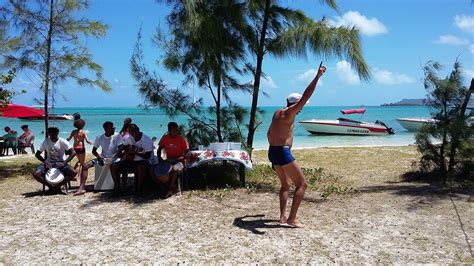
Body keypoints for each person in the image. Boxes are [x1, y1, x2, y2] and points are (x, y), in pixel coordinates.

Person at [267, 62, 326, 228]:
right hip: (282, 153)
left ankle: (282, 217)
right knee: (302, 184)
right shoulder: (289, 112)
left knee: (286, 185)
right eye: (300, 106)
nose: (301, 109)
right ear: (295, 104)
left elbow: (270, 133)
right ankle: (292, 219)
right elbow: (307, 95)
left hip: (273, 151)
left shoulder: (278, 112)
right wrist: (318, 76)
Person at [74, 121, 123, 196]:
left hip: (115, 158)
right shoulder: (100, 137)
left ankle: (117, 188)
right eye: (112, 127)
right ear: (106, 129)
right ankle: (81, 188)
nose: (114, 128)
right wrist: (99, 156)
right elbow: (94, 151)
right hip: (103, 158)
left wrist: (111, 158)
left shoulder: (117, 136)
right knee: (85, 166)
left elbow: (120, 149)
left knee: (113, 166)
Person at [110, 123, 153, 195]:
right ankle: (117, 189)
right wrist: (120, 153)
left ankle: (139, 191)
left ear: (138, 130)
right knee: (113, 166)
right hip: (131, 161)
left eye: (133, 131)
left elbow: (147, 156)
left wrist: (135, 152)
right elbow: (123, 146)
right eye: (130, 132)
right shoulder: (130, 137)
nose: (132, 133)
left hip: (144, 161)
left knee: (141, 167)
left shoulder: (147, 139)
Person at [33, 127, 77, 194]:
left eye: (53, 133)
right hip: (49, 163)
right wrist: (45, 161)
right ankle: (51, 187)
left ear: (57, 133)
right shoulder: (46, 141)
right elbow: (37, 154)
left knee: (73, 172)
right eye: (50, 133)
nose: (51, 135)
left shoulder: (62, 141)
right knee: (36, 174)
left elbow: (73, 152)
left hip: (61, 162)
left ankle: (57, 187)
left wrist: (64, 163)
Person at [153, 122, 190, 197]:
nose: (175, 132)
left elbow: (187, 152)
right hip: (168, 160)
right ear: (169, 130)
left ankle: (169, 189)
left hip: (180, 161)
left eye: (176, 130)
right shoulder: (165, 138)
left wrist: (180, 158)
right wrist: (160, 158)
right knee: (154, 170)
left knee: (174, 169)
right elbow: (159, 149)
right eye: (173, 131)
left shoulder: (181, 139)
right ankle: (164, 188)